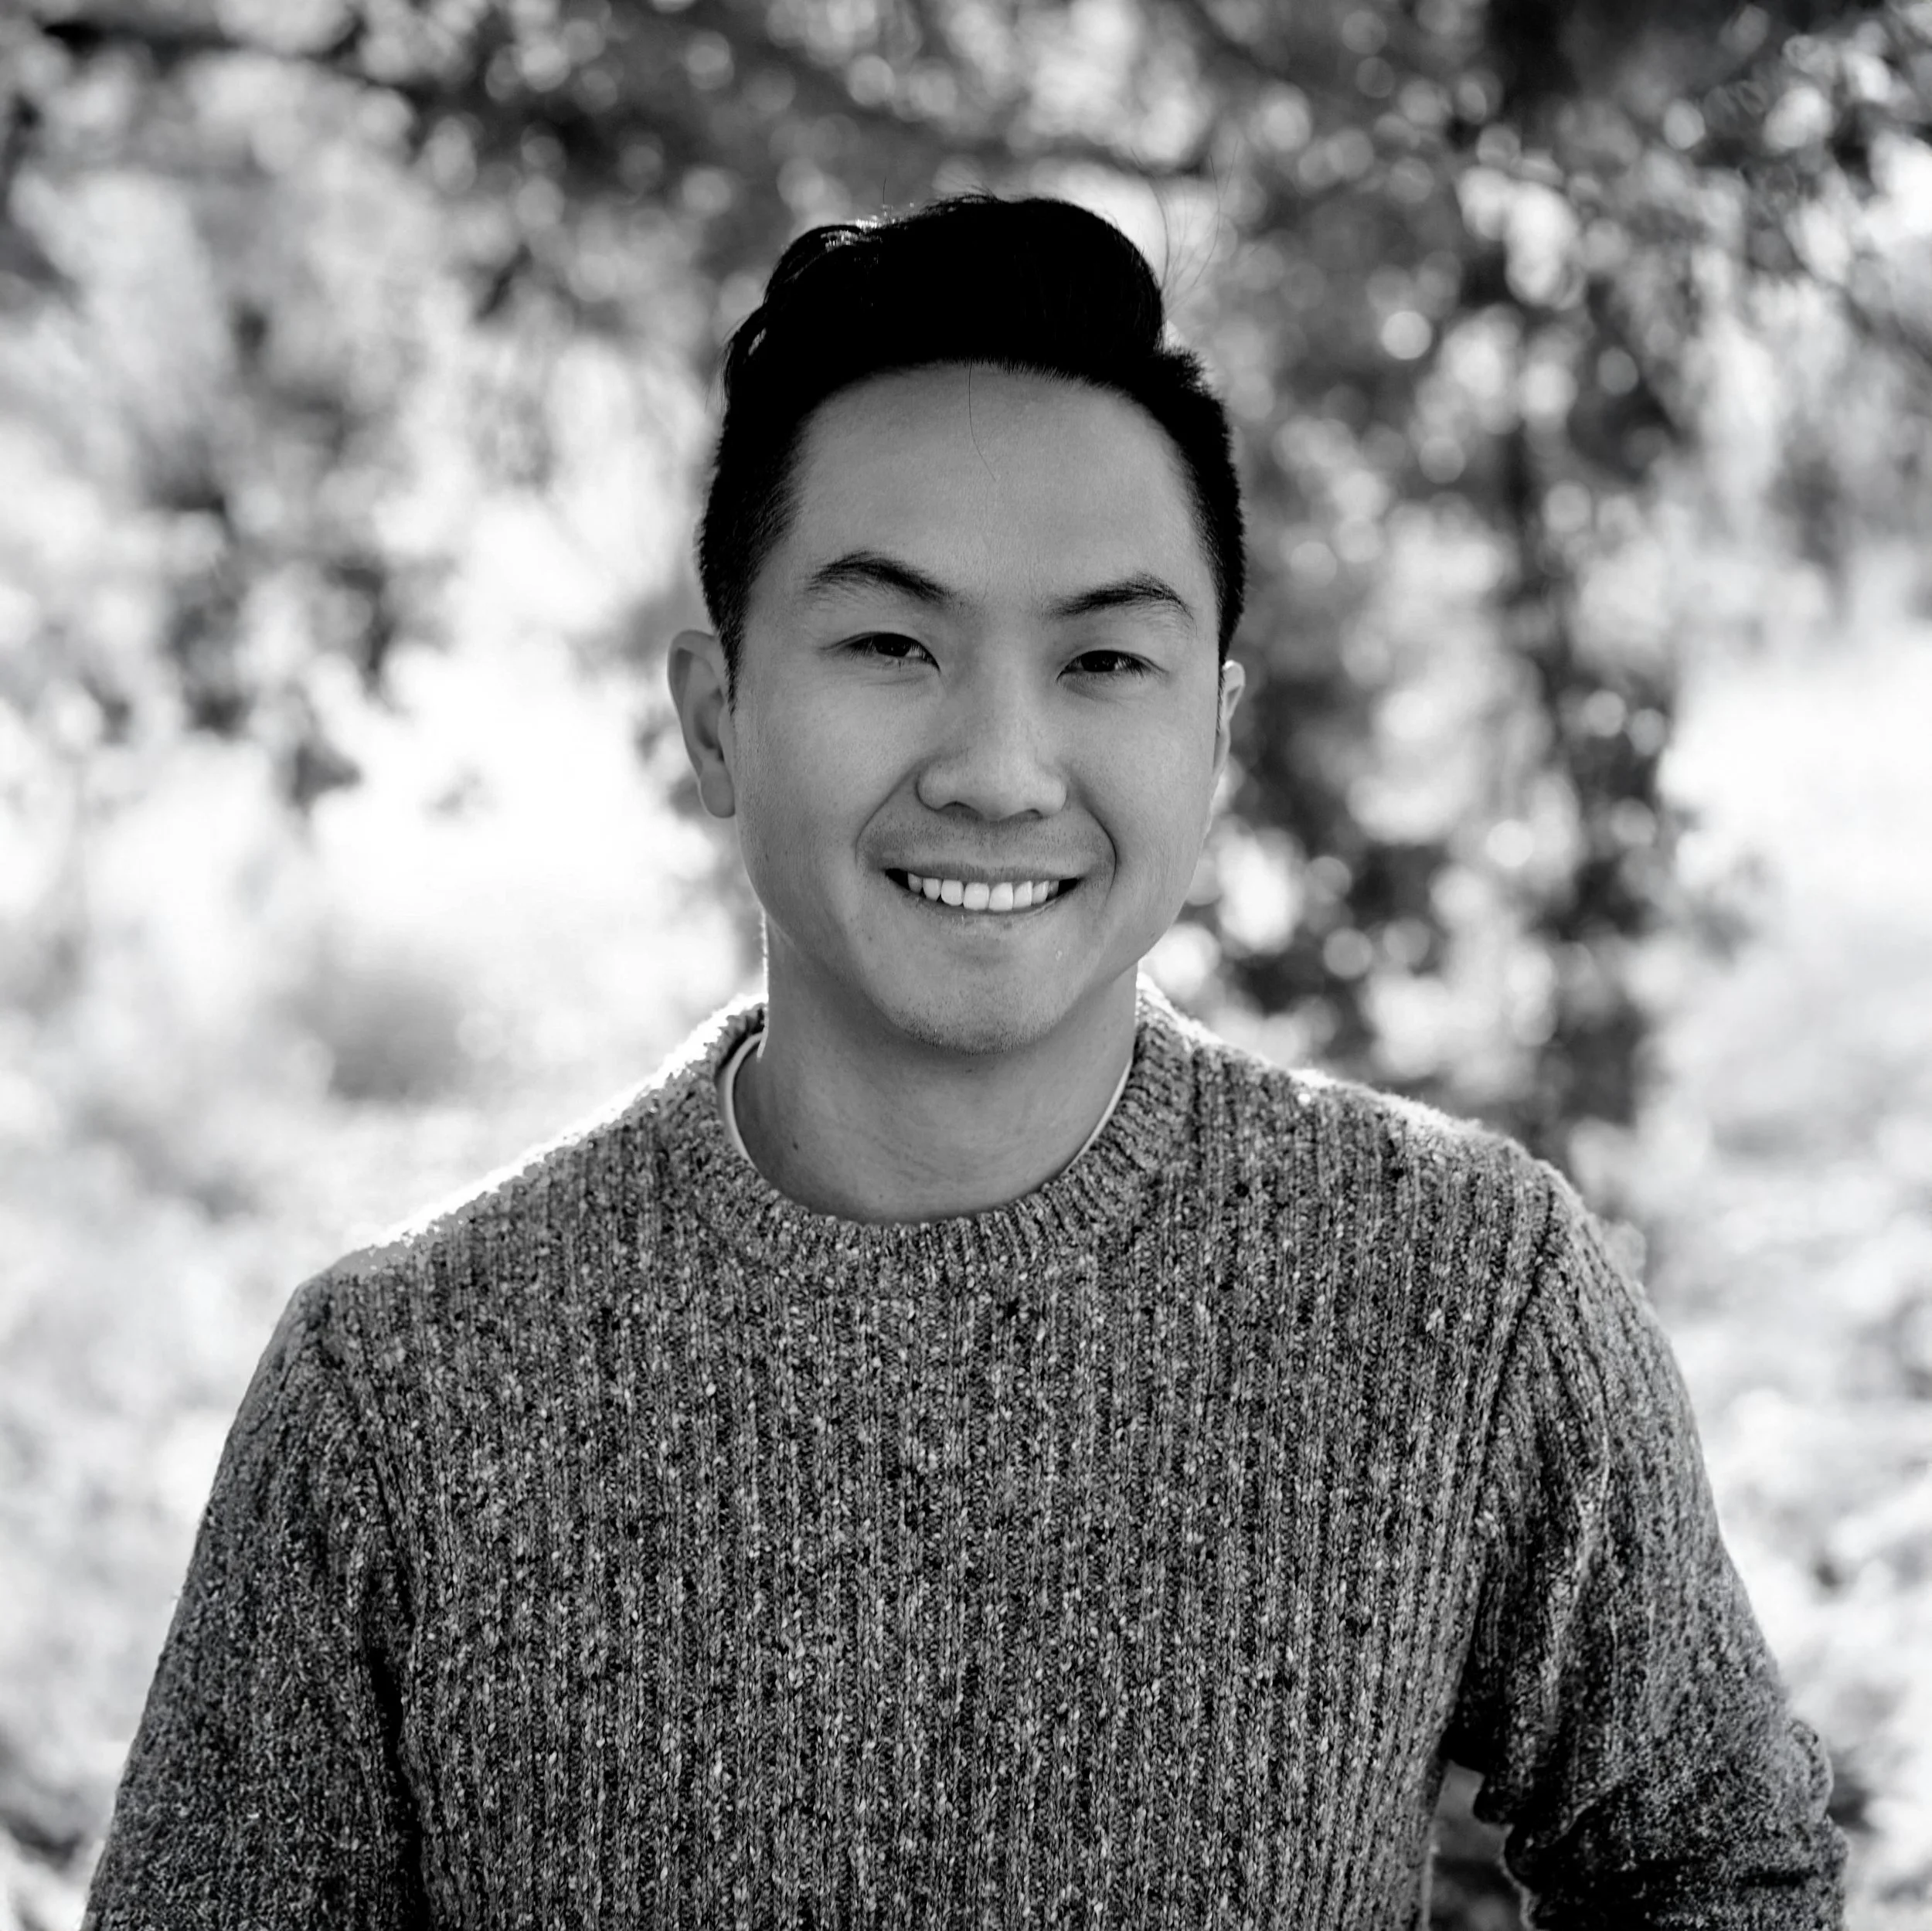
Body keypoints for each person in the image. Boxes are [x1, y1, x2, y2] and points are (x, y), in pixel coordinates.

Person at [85, 194, 1844, 1928]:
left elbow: (1720, 1866)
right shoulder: (399, 1392)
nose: (999, 766)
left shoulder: (1460, 1289)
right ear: (715, 714)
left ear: (1213, 734)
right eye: (889, 644)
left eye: (1101, 656)